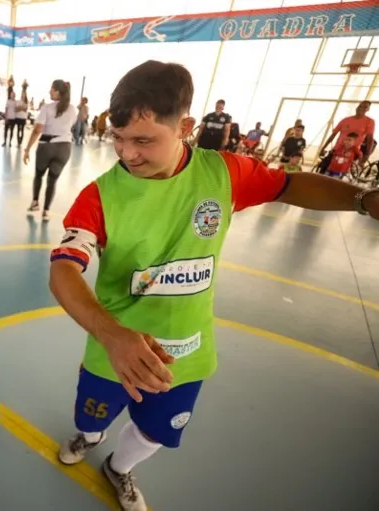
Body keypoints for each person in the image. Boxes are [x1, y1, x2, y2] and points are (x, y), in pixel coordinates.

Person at [48, 59, 379, 511]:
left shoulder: (224, 174)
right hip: (113, 349)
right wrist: (112, 335)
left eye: (143, 140)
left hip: (186, 351)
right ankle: (90, 437)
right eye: (118, 139)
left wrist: (361, 199)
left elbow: (287, 185)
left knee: (154, 432)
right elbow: (64, 267)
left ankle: (119, 468)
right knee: (89, 418)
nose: (127, 153)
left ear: (185, 126)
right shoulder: (100, 194)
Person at [23, 80, 76, 221]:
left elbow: (37, 130)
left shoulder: (47, 108)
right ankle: (46, 211)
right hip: (65, 147)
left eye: (52, 89)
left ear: (58, 92)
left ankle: (35, 203)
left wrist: (27, 149)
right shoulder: (72, 109)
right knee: (53, 180)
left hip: (47, 146)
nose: (49, 92)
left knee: (39, 175)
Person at [319, 101, 375, 168]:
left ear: (368, 110)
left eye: (365, 107)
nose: (361, 108)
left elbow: (370, 139)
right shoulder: (345, 120)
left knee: (340, 173)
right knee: (323, 170)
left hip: (353, 152)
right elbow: (333, 135)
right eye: (360, 106)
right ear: (357, 107)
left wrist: (366, 155)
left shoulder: (369, 121)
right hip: (337, 149)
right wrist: (323, 147)